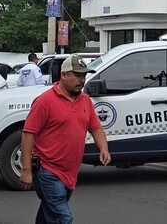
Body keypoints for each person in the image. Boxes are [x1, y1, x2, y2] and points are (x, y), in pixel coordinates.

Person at [20, 54, 111, 222]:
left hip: (70, 172)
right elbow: (28, 134)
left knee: (49, 214)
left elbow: (96, 128)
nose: (81, 80)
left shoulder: (85, 101)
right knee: (63, 218)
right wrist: (26, 170)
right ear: (64, 75)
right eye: (77, 75)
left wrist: (103, 149)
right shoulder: (45, 101)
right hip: (47, 170)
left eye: (84, 76)